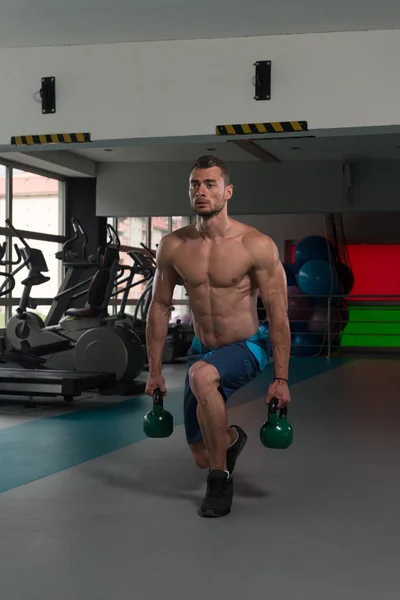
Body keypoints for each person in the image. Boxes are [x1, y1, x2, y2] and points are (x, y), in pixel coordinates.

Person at [145, 155, 291, 518]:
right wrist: (154, 371)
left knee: (200, 375)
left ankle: (219, 480)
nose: (201, 191)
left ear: (228, 191)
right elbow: (159, 308)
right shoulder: (174, 246)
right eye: (195, 184)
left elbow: (277, 313)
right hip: (203, 349)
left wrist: (281, 378)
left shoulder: (255, 245)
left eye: (210, 184)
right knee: (200, 454)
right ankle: (229, 442)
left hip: (247, 347)